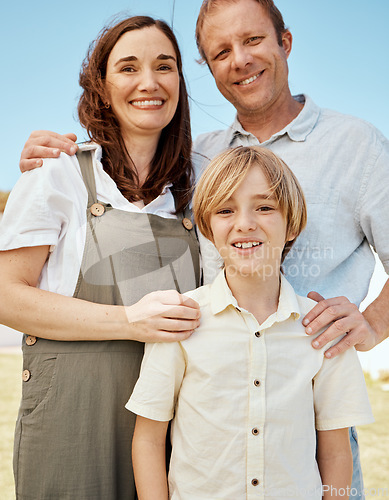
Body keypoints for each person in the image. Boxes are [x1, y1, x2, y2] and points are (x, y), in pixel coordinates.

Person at [16, 0, 389, 496]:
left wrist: (371, 324)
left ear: (286, 42)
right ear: (207, 68)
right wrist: (55, 159)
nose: (239, 59)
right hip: (202, 435)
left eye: (253, 40)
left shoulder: (357, 145)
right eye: (220, 51)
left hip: (310, 432)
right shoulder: (193, 158)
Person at [0, 16, 201, 500]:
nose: (149, 83)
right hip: (72, 422)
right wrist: (132, 320)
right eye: (128, 68)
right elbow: (6, 295)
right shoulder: (57, 174)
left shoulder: (203, 189)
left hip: (176, 430)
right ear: (103, 87)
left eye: (165, 66)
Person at [127, 146, 373, 500]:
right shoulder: (182, 320)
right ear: (209, 229)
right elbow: (149, 439)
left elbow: (335, 450)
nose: (245, 222)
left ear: (292, 225)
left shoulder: (323, 329)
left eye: (265, 207)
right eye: (226, 210)